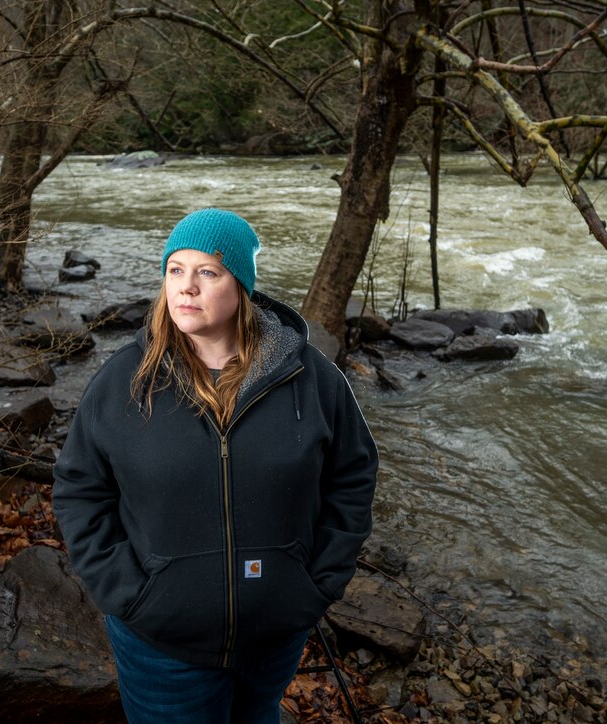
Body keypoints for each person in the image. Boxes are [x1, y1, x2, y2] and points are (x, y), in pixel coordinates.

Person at [52, 208, 379, 723]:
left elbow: (353, 476)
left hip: (273, 636)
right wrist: (129, 593)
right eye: (175, 270)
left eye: (208, 272)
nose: (187, 288)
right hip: (161, 646)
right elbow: (79, 488)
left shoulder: (311, 378)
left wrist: (315, 583)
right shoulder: (124, 381)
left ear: (242, 285)